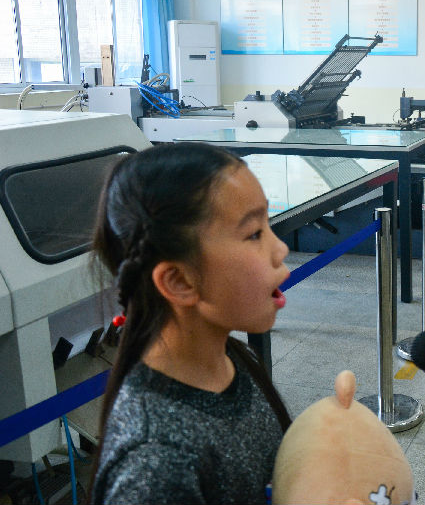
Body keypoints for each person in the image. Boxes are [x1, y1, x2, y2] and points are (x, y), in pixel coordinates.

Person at [89, 142, 292, 504]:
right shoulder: (155, 465)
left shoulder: (231, 360)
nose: (281, 250)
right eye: (254, 233)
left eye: (268, 224)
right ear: (180, 281)